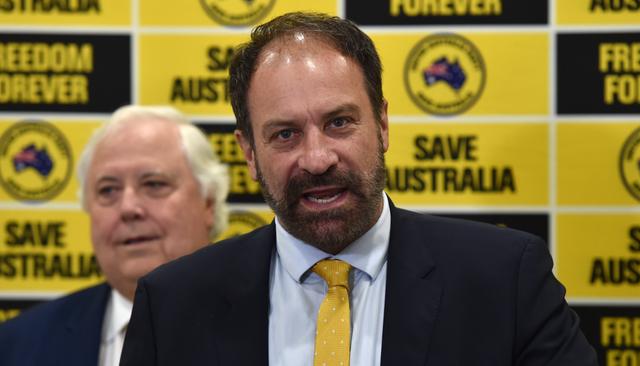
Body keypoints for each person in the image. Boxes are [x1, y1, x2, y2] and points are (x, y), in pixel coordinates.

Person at [120, 13, 597, 366]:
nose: (317, 158)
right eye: (285, 134)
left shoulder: (504, 280)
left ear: (383, 125)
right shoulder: (173, 304)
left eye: (340, 122)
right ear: (248, 153)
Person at [0, 105, 229, 366]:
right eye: (108, 190)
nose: (128, 208)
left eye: (154, 184)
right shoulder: (16, 347)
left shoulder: (267, 323)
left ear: (208, 203)